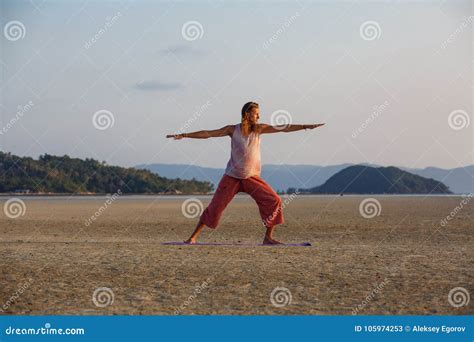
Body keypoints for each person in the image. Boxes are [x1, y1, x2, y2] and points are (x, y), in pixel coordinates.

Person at [166, 101, 325, 244]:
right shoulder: (232, 130)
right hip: (232, 177)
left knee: (274, 200)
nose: (258, 116)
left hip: (251, 178)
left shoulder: (260, 129)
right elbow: (208, 133)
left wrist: (305, 126)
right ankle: (192, 237)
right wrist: (184, 135)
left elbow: (284, 128)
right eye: (256, 113)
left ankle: (268, 238)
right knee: (215, 207)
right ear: (247, 114)